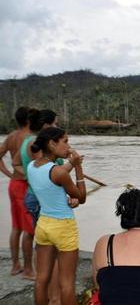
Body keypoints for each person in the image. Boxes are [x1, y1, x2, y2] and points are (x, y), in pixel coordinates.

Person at [27, 127, 86, 305]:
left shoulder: (32, 166)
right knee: (67, 283)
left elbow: (51, 184)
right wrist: (78, 166)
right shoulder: (58, 172)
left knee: (41, 279)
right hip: (63, 226)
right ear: (52, 144)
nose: (68, 146)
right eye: (65, 141)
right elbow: (81, 197)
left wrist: (68, 197)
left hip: (43, 224)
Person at [0, 106, 35, 279]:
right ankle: (28, 270)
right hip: (24, 185)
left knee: (16, 227)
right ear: (29, 120)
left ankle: (16, 265)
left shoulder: (12, 136)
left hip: (13, 184)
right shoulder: (28, 138)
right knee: (29, 228)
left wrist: (8, 174)